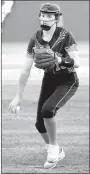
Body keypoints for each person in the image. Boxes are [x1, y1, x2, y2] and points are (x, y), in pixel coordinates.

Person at [9, 3, 79, 169]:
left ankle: (53, 148)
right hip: (49, 80)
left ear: (56, 18)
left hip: (68, 80)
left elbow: (77, 62)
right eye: (43, 15)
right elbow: (25, 70)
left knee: (47, 110)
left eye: (49, 16)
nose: (44, 18)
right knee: (40, 125)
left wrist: (60, 59)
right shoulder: (35, 38)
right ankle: (57, 150)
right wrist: (18, 96)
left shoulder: (65, 35)